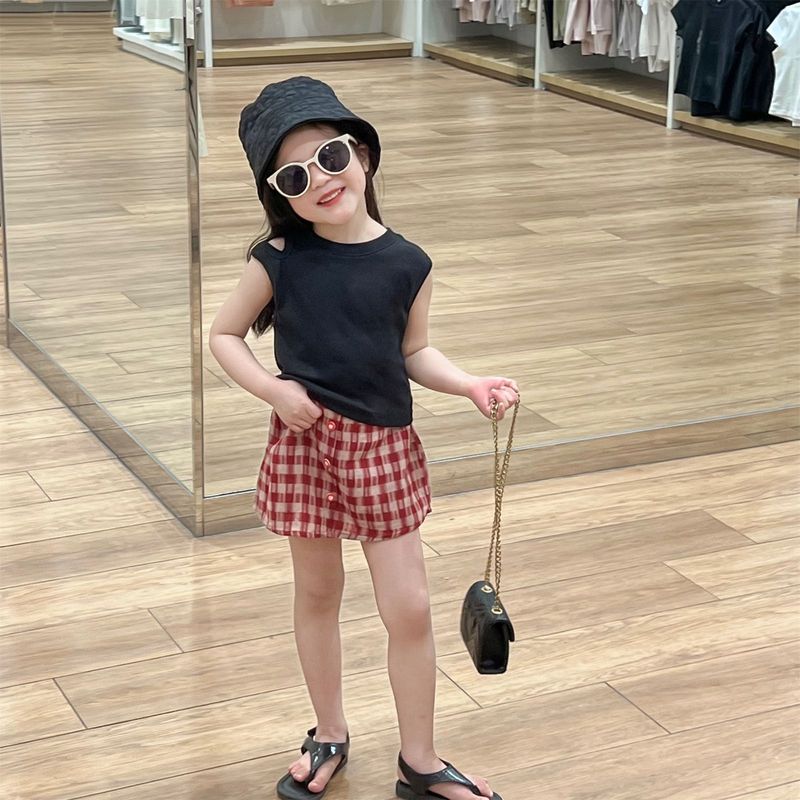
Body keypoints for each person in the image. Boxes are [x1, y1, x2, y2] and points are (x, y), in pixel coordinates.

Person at [209, 75, 518, 800]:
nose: (320, 179)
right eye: (294, 176)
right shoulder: (277, 259)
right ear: (280, 195)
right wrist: (274, 390)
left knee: (409, 608)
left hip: (383, 447)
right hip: (307, 446)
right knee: (318, 593)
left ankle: (421, 760)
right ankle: (330, 731)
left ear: (364, 155)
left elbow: (414, 351)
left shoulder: (408, 262)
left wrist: (469, 384)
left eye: (331, 156)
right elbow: (224, 335)